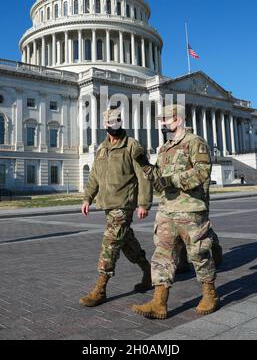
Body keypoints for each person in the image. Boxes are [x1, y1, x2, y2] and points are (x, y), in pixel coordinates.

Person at [131, 104, 219, 319]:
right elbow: (159, 182)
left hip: (190, 209)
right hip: (167, 210)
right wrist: (144, 164)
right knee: (162, 256)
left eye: (165, 119)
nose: (162, 123)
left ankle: (210, 294)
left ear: (178, 120)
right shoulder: (164, 149)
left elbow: (202, 172)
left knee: (198, 253)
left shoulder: (194, 143)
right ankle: (159, 302)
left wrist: (172, 180)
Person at [79, 109, 153, 307]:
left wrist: (144, 203)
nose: (114, 124)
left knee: (110, 242)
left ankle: (100, 288)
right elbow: (94, 176)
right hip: (107, 204)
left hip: (123, 204)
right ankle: (148, 271)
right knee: (126, 240)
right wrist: (87, 198)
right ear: (105, 124)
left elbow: (144, 175)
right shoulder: (102, 148)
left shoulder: (132, 145)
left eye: (117, 120)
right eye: (110, 121)